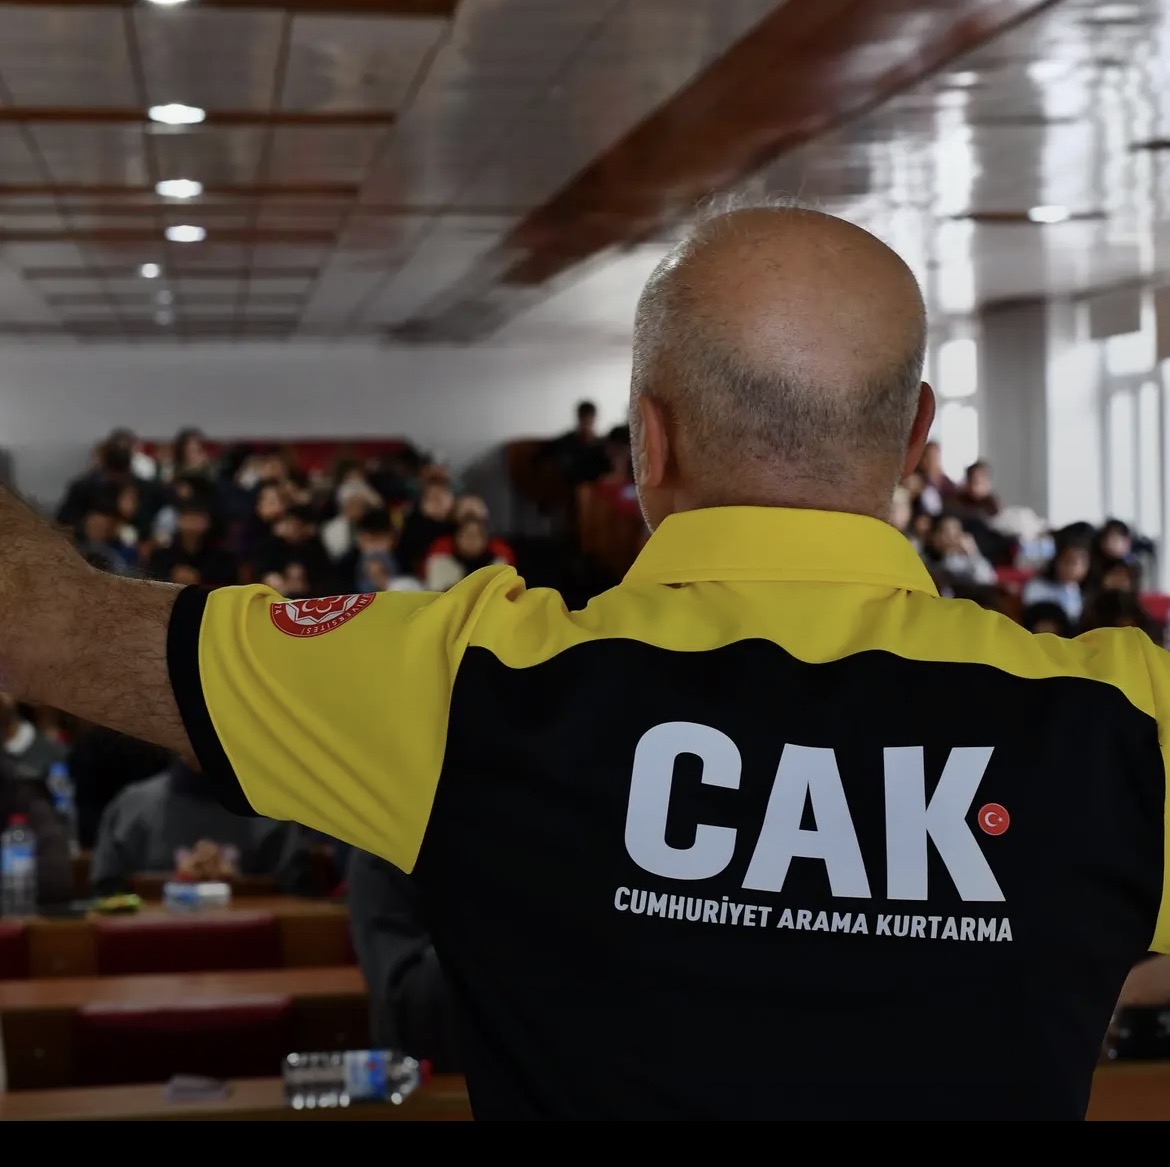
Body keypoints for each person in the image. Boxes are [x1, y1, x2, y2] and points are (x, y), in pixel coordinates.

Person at [7, 202, 1170, 1121]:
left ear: (645, 443)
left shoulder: (467, 682)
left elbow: (39, 621)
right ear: (917, 435)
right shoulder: (1132, 719)